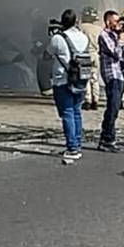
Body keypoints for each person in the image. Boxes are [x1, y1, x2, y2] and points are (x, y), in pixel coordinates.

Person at [47, 9, 89, 161]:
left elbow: (46, 55)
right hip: (80, 79)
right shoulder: (83, 37)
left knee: (67, 113)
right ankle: (77, 144)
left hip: (62, 80)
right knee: (76, 112)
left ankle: (72, 148)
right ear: (76, 21)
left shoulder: (58, 39)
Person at [97, 10, 124, 153]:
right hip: (112, 75)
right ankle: (106, 139)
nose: (118, 24)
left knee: (115, 108)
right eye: (116, 21)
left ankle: (109, 138)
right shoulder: (104, 35)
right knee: (112, 107)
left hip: (120, 74)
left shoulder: (115, 35)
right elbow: (115, 54)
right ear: (108, 22)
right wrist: (120, 40)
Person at [79, 6, 102, 111]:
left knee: (85, 78)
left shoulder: (80, 28)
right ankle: (95, 100)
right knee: (95, 78)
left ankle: (87, 100)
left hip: (85, 54)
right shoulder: (99, 29)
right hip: (96, 55)